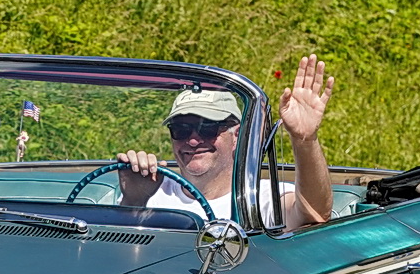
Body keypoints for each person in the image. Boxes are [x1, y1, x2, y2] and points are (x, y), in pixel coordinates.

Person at [115, 53, 336, 231]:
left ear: (237, 136)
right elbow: (113, 260)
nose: (192, 140)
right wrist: (133, 200)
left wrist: (304, 139)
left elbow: (315, 213)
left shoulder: (262, 198)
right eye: (181, 130)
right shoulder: (151, 192)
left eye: (207, 128)